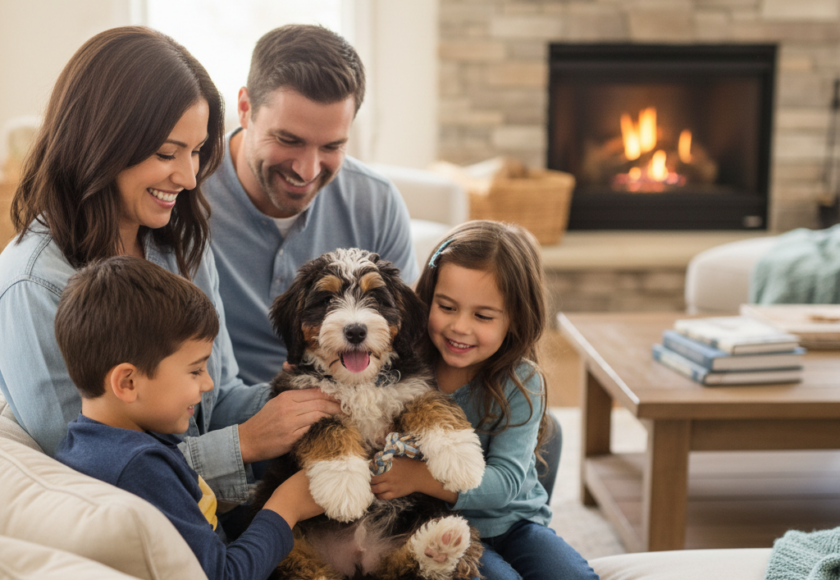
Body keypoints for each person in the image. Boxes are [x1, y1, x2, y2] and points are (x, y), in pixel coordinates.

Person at [0, 26, 339, 504]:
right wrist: (242, 445)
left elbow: (215, 400)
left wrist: (304, 394)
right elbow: (81, 474)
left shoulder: (181, 243)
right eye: (166, 153)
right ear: (102, 142)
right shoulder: (34, 283)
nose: (188, 176)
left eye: (198, 150)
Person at [54, 256, 323, 580]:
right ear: (128, 382)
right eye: (195, 370)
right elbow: (223, 574)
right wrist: (287, 505)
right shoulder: (142, 468)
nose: (208, 384)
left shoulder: (85, 443)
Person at [369, 220, 599, 580]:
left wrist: (416, 477)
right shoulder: (405, 368)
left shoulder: (522, 381)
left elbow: (504, 485)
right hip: (438, 529)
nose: (460, 327)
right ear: (426, 300)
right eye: (446, 307)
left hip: (516, 523)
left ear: (514, 319)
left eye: (483, 316)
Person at [204, 24, 419, 386]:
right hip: (223, 415)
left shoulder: (377, 202)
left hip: (351, 407)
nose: (308, 170)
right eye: (288, 139)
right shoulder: (185, 193)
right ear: (244, 109)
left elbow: (406, 341)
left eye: (332, 146)